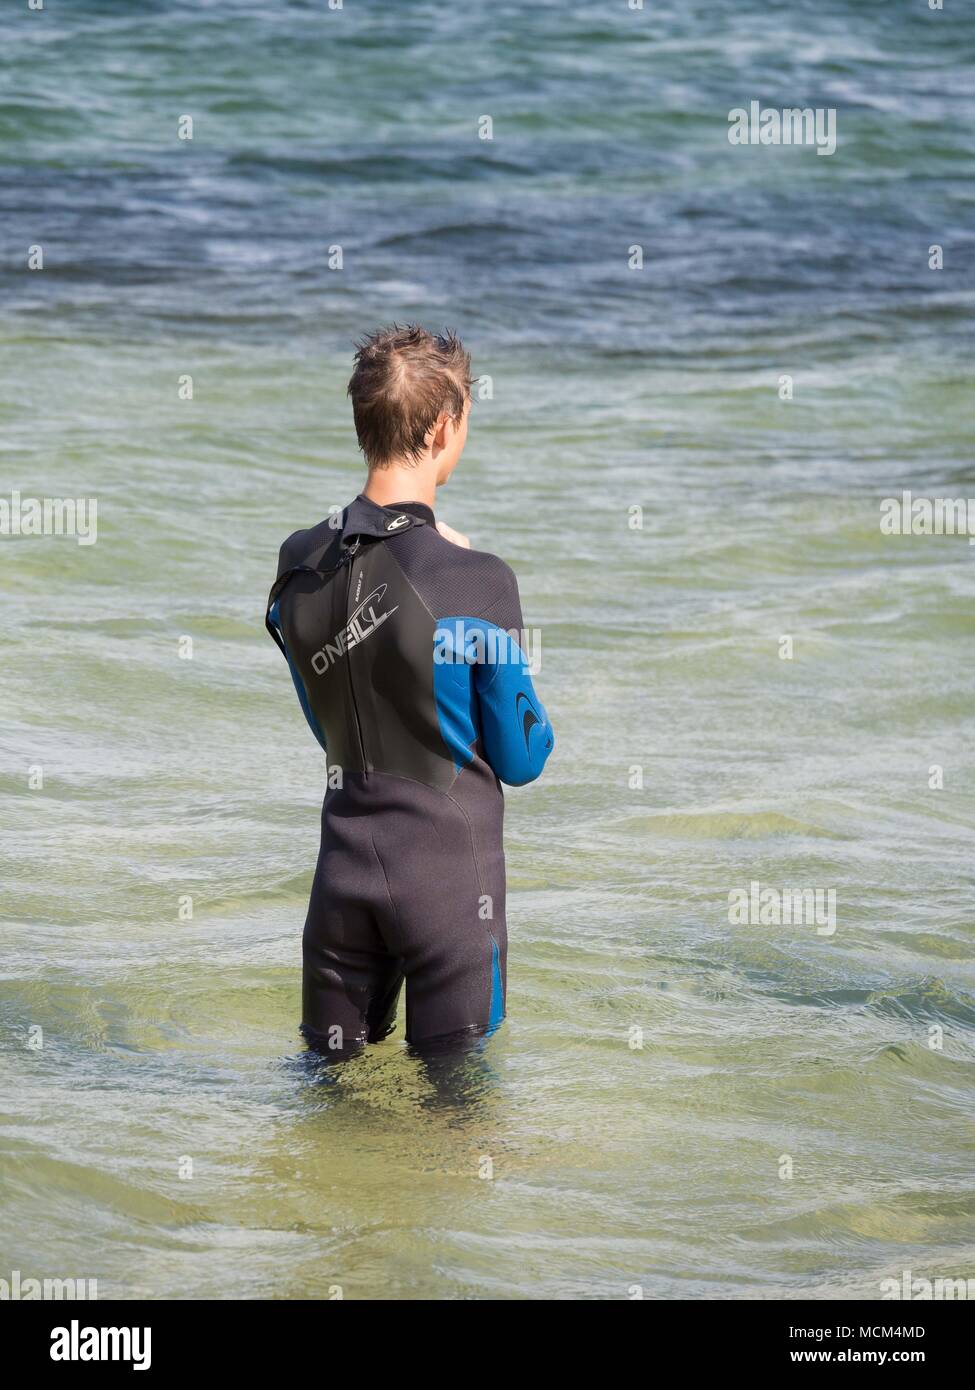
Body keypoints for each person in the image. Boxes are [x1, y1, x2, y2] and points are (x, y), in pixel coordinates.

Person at [266, 324, 554, 1057]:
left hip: (339, 891)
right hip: (450, 894)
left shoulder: (298, 563)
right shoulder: (477, 579)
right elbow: (521, 758)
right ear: (440, 428)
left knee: (325, 1108)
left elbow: (328, 722)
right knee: (459, 1122)